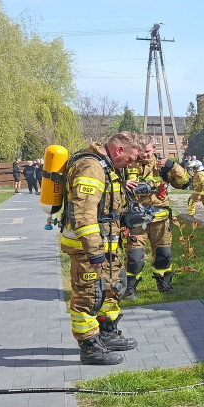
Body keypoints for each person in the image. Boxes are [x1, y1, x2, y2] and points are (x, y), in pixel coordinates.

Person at [60, 131, 142, 365]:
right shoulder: (90, 167)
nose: (131, 164)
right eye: (129, 158)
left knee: (111, 290)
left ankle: (106, 334)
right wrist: (94, 251)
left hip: (107, 245)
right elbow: (83, 213)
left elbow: (107, 209)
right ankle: (89, 348)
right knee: (88, 297)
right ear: (119, 151)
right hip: (88, 249)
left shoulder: (108, 167)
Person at [123, 137, 190, 299]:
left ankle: (164, 284)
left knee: (164, 254)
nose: (145, 155)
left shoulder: (163, 166)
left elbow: (185, 183)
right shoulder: (127, 165)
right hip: (136, 221)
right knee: (135, 257)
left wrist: (173, 166)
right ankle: (130, 289)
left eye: (148, 151)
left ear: (154, 148)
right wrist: (122, 183)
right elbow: (110, 184)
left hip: (160, 220)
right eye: (141, 151)